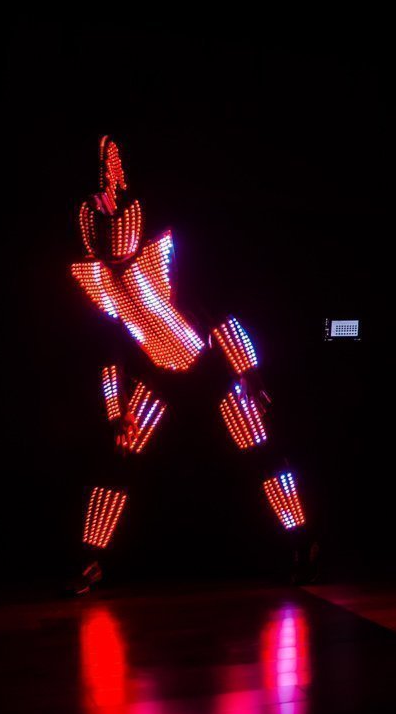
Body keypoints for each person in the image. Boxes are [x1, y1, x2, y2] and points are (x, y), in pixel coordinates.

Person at [67, 137, 316, 595]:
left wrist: (250, 376)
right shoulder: (97, 280)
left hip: (212, 370)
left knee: (262, 455)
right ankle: (91, 560)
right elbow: (111, 352)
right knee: (118, 463)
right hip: (158, 376)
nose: (112, 248)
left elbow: (221, 320)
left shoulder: (167, 259)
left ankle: (302, 543)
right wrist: (116, 412)